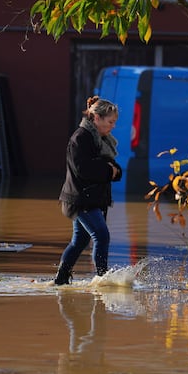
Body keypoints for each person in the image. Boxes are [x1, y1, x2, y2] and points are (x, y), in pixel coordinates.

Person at [53, 96, 123, 285]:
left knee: (79, 241)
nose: (113, 126)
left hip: (93, 199)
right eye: (110, 122)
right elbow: (83, 169)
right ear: (96, 118)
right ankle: (102, 280)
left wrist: (112, 170)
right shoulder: (81, 137)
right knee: (101, 235)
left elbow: (116, 170)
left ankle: (60, 280)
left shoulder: (103, 140)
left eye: (114, 122)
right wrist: (109, 169)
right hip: (80, 199)